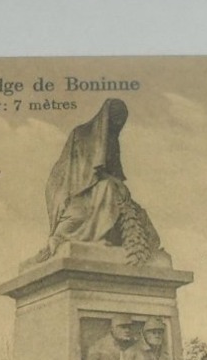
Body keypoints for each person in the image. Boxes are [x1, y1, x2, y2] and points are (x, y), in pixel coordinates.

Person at [32, 99, 160, 264]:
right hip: (80, 191)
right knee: (106, 190)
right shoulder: (82, 134)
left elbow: (114, 173)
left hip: (104, 189)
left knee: (135, 210)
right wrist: (112, 182)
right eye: (115, 119)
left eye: (121, 121)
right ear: (107, 117)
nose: (118, 125)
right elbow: (84, 171)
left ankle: (138, 245)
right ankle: (66, 238)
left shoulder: (112, 141)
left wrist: (118, 184)